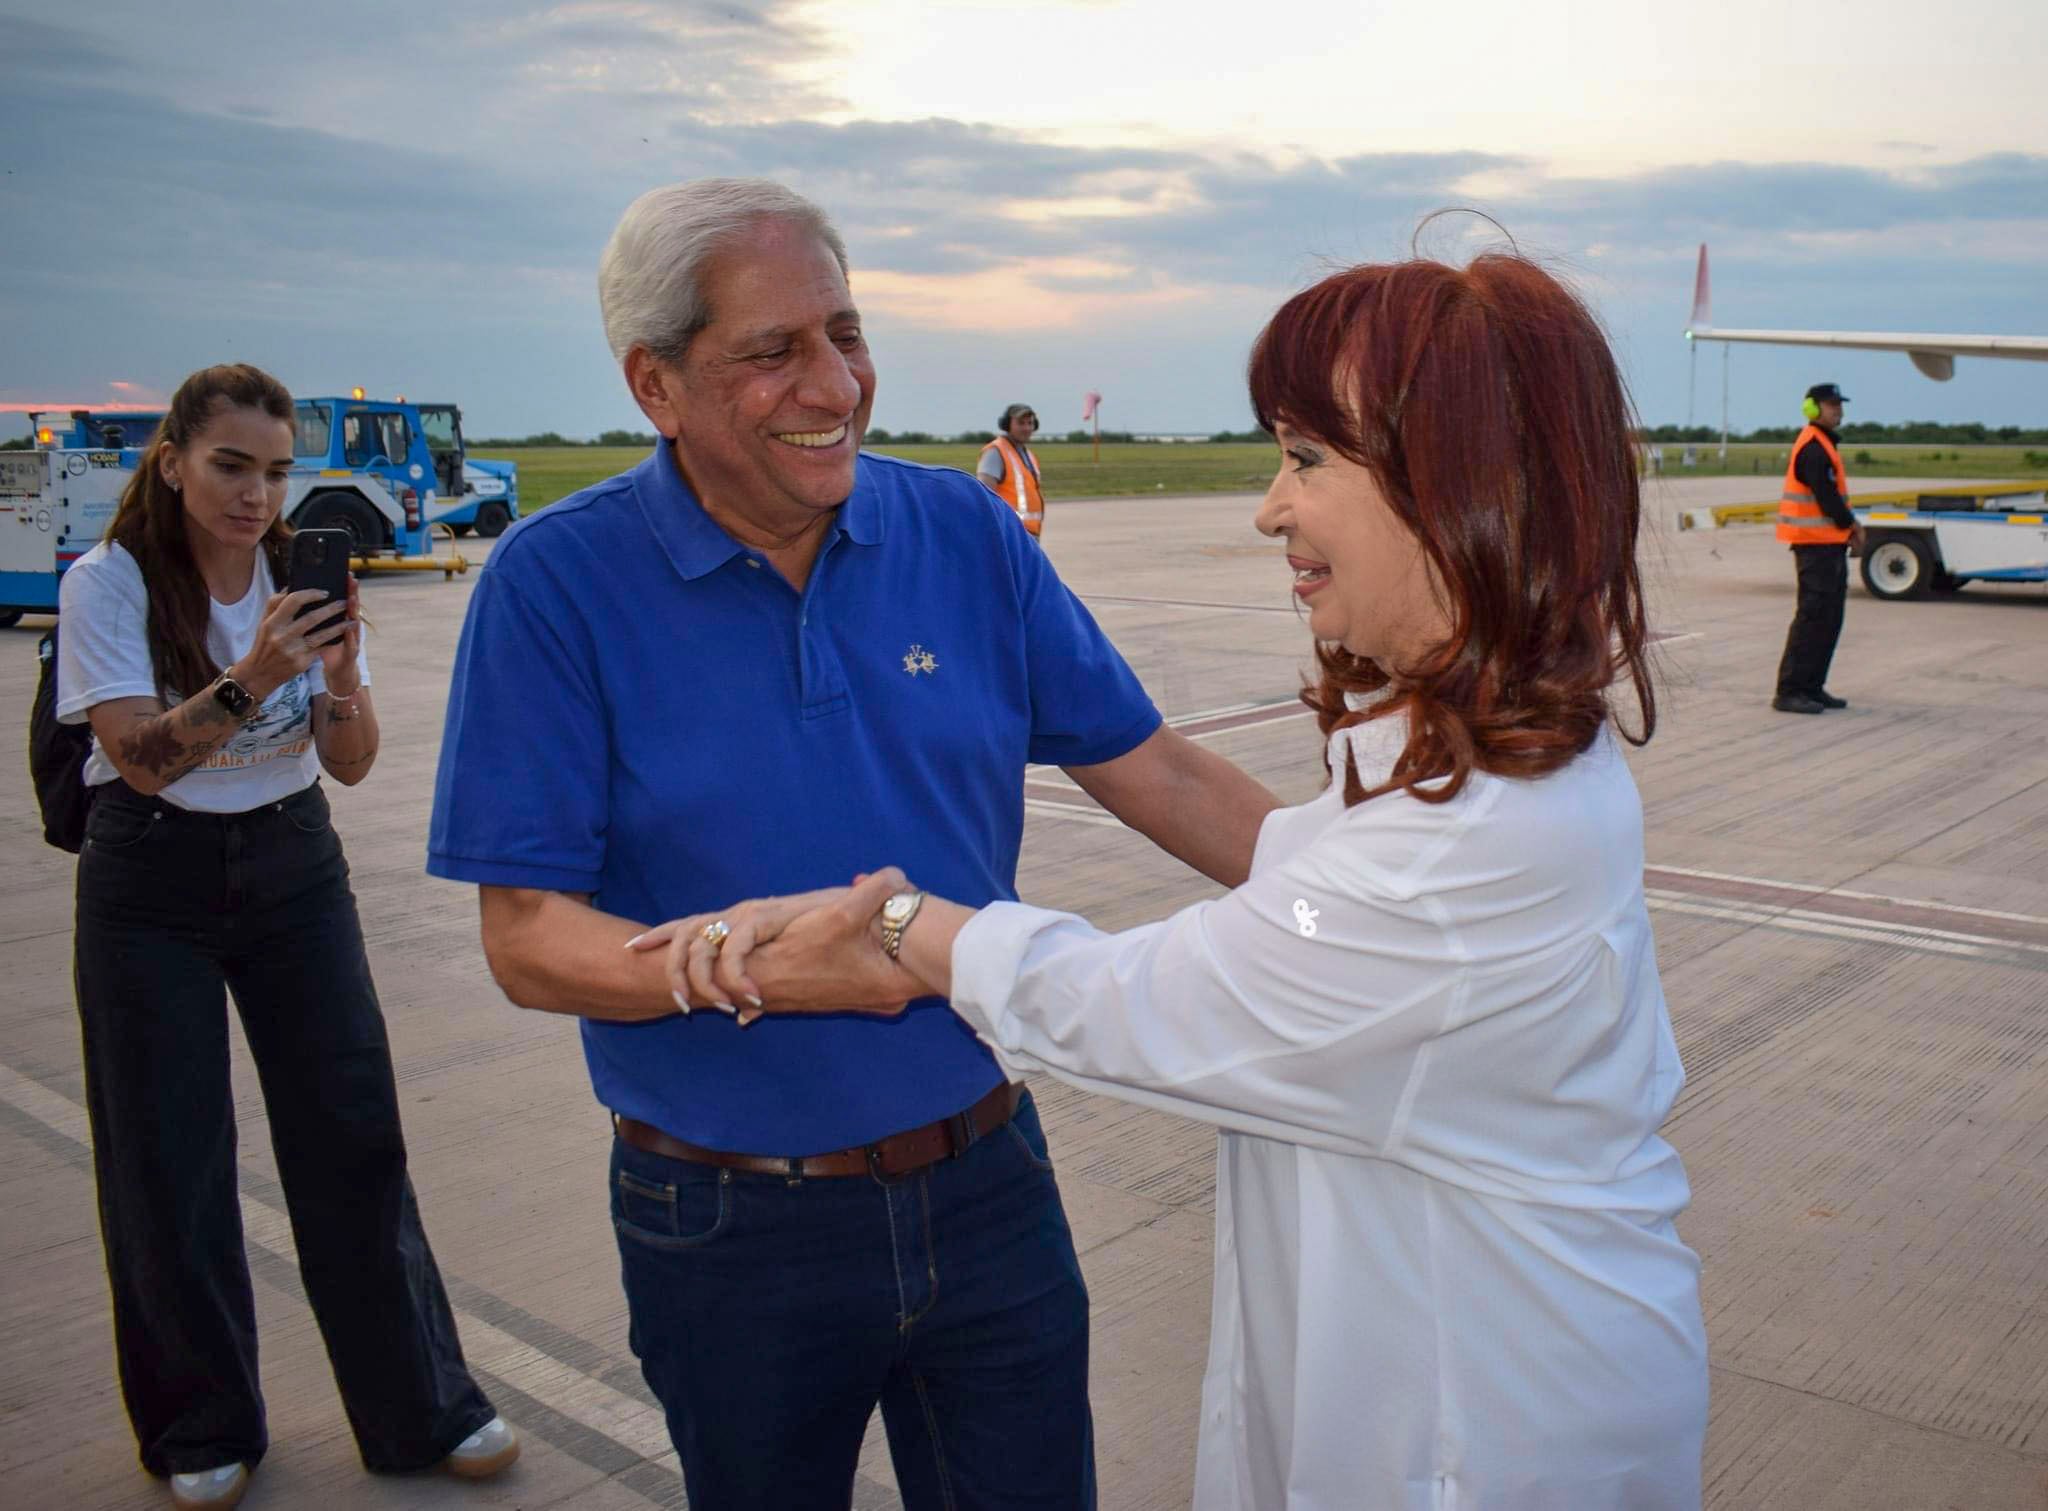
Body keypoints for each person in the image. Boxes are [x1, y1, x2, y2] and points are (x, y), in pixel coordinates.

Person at [696, 254, 1712, 1509]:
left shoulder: (1463, 847)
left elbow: (1143, 997)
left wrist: (902, 924)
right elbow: (1304, 886)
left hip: (1479, 1422)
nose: (1268, 509)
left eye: (1306, 459)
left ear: (1450, 488)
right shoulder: (1467, 756)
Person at [425, 179, 1278, 1510]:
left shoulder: (963, 532)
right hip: (725, 1224)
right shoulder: (554, 586)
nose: (836, 381)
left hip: (988, 1178)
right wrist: (749, 959)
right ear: (656, 384)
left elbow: (1157, 767)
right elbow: (526, 938)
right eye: (773, 351)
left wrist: (1373, 903)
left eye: (847, 330)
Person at [56, 364, 518, 1511]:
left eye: (273, 471)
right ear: (171, 462)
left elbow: (350, 763)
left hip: (292, 865)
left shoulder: (293, 579)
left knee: (353, 1136)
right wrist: (252, 670)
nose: (255, 494)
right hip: (149, 879)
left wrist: (342, 668)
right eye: (229, 465)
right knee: (169, 1156)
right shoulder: (108, 583)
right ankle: (201, 1422)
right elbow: (139, 757)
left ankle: (422, 1405)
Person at [1772, 381, 1861, 714]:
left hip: (1828, 546)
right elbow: (1827, 498)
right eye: (1830, 405)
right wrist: (1852, 526)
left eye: (1839, 404)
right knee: (1812, 619)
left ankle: (1812, 686)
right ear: (1811, 408)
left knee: (1829, 620)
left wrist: (1846, 529)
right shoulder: (1812, 447)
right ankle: (1790, 690)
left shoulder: (1824, 444)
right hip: (1814, 549)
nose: (1838, 410)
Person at [975, 402, 1045, 537]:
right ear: (1007, 425)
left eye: (1030, 423)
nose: (1027, 428)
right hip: (1009, 534)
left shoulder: (1029, 455)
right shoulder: (995, 452)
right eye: (1021, 423)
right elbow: (984, 497)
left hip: (1029, 534)